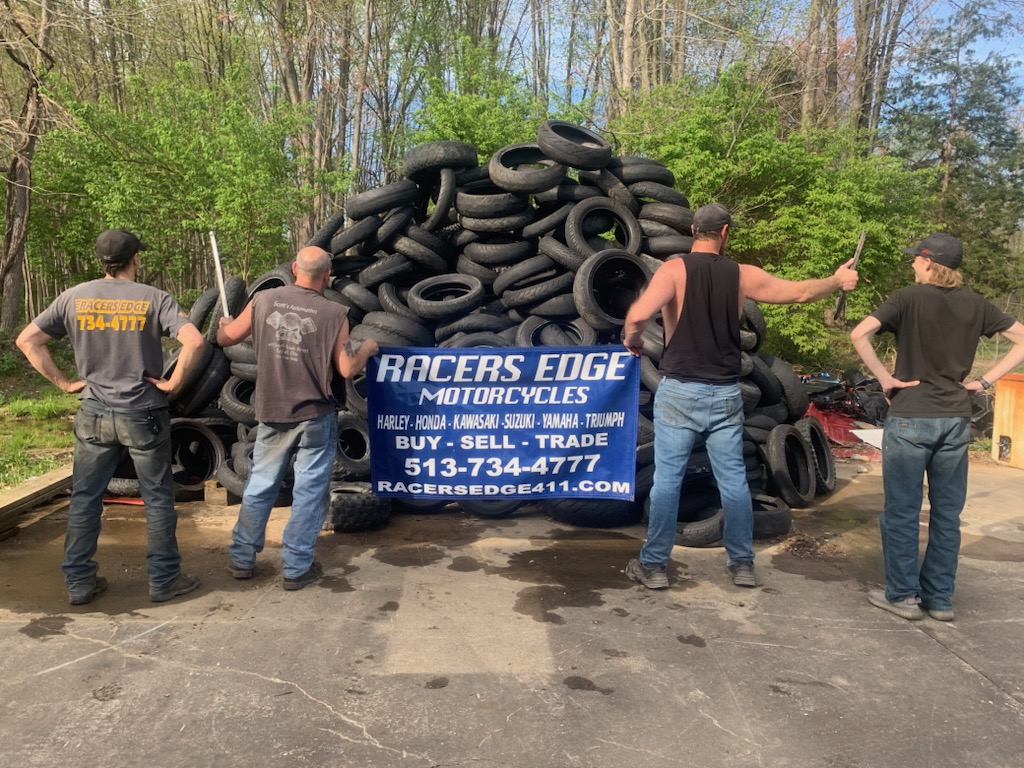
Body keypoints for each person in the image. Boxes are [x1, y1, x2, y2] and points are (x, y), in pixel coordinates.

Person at [622, 203, 859, 589]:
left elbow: (636, 318)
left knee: (668, 480)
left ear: (693, 229)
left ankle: (653, 567)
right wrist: (835, 281)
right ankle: (742, 564)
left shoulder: (673, 270)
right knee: (733, 482)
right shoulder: (740, 275)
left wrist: (632, 343)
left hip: (680, 391)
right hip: (724, 394)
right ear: (726, 232)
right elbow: (799, 293)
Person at [16, 228, 206, 604]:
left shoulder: (74, 297)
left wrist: (63, 383)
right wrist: (173, 383)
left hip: (94, 411)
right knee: (157, 498)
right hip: (144, 412)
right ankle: (164, 580)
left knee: (86, 498)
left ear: (101, 262)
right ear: (136, 259)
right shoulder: (154, 298)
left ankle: (79, 583)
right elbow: (195, 340)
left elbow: (27, 340)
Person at [850, 233, 1024, 621]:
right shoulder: (976, 304)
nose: (912, 264)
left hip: (912, 415)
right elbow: (1022, 339)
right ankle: (940, 600)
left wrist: (885, 378)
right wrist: (983, 382)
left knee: (902, 511)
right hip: (955, 420)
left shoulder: (907, 298)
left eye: (916, 259)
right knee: (947, 514)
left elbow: (859, 333)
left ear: (929, 263)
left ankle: (902, 596)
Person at [216, 246, 378, 590]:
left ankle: (242, 559)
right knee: (309, 492)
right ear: (327, 276)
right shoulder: (335, 312)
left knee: (260, 485)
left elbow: (225, 338)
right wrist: (367, 348)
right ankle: (296, 568)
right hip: (315, 414)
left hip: (273, 410)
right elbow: (347, 368)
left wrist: (227, 324)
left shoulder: (264, 300)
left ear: (293, 268)